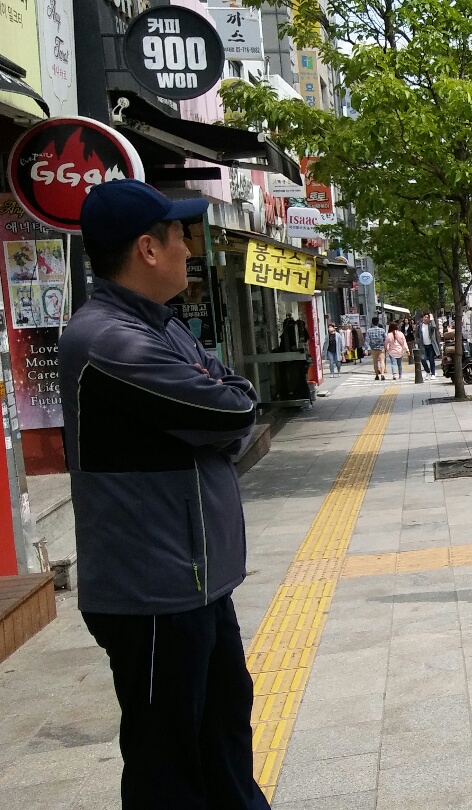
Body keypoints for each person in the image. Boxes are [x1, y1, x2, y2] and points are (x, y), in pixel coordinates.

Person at [59, 179, 268, 809]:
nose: (189, 248)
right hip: (154, 587)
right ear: (147, 249)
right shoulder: (108, 340)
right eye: (181, 235)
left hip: (196, 578)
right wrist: (222, 410)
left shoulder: (161, 327)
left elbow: (234, 397)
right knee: (167, 763)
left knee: (224, 730)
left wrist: (223, 408)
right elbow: (232, 411)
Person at [418, 312, 439, 377]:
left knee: (431, 360)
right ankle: (427, 371)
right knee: (423, 359)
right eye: (425, 317)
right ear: (423, 318)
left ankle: (433, 373)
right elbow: (416, 335)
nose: (426, 318)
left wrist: (432, 318)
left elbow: (434, 326)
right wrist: (418, 341)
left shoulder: (430, 325)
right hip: (423, 345)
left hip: (430, 345)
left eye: (428, 317)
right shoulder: (420, 326)